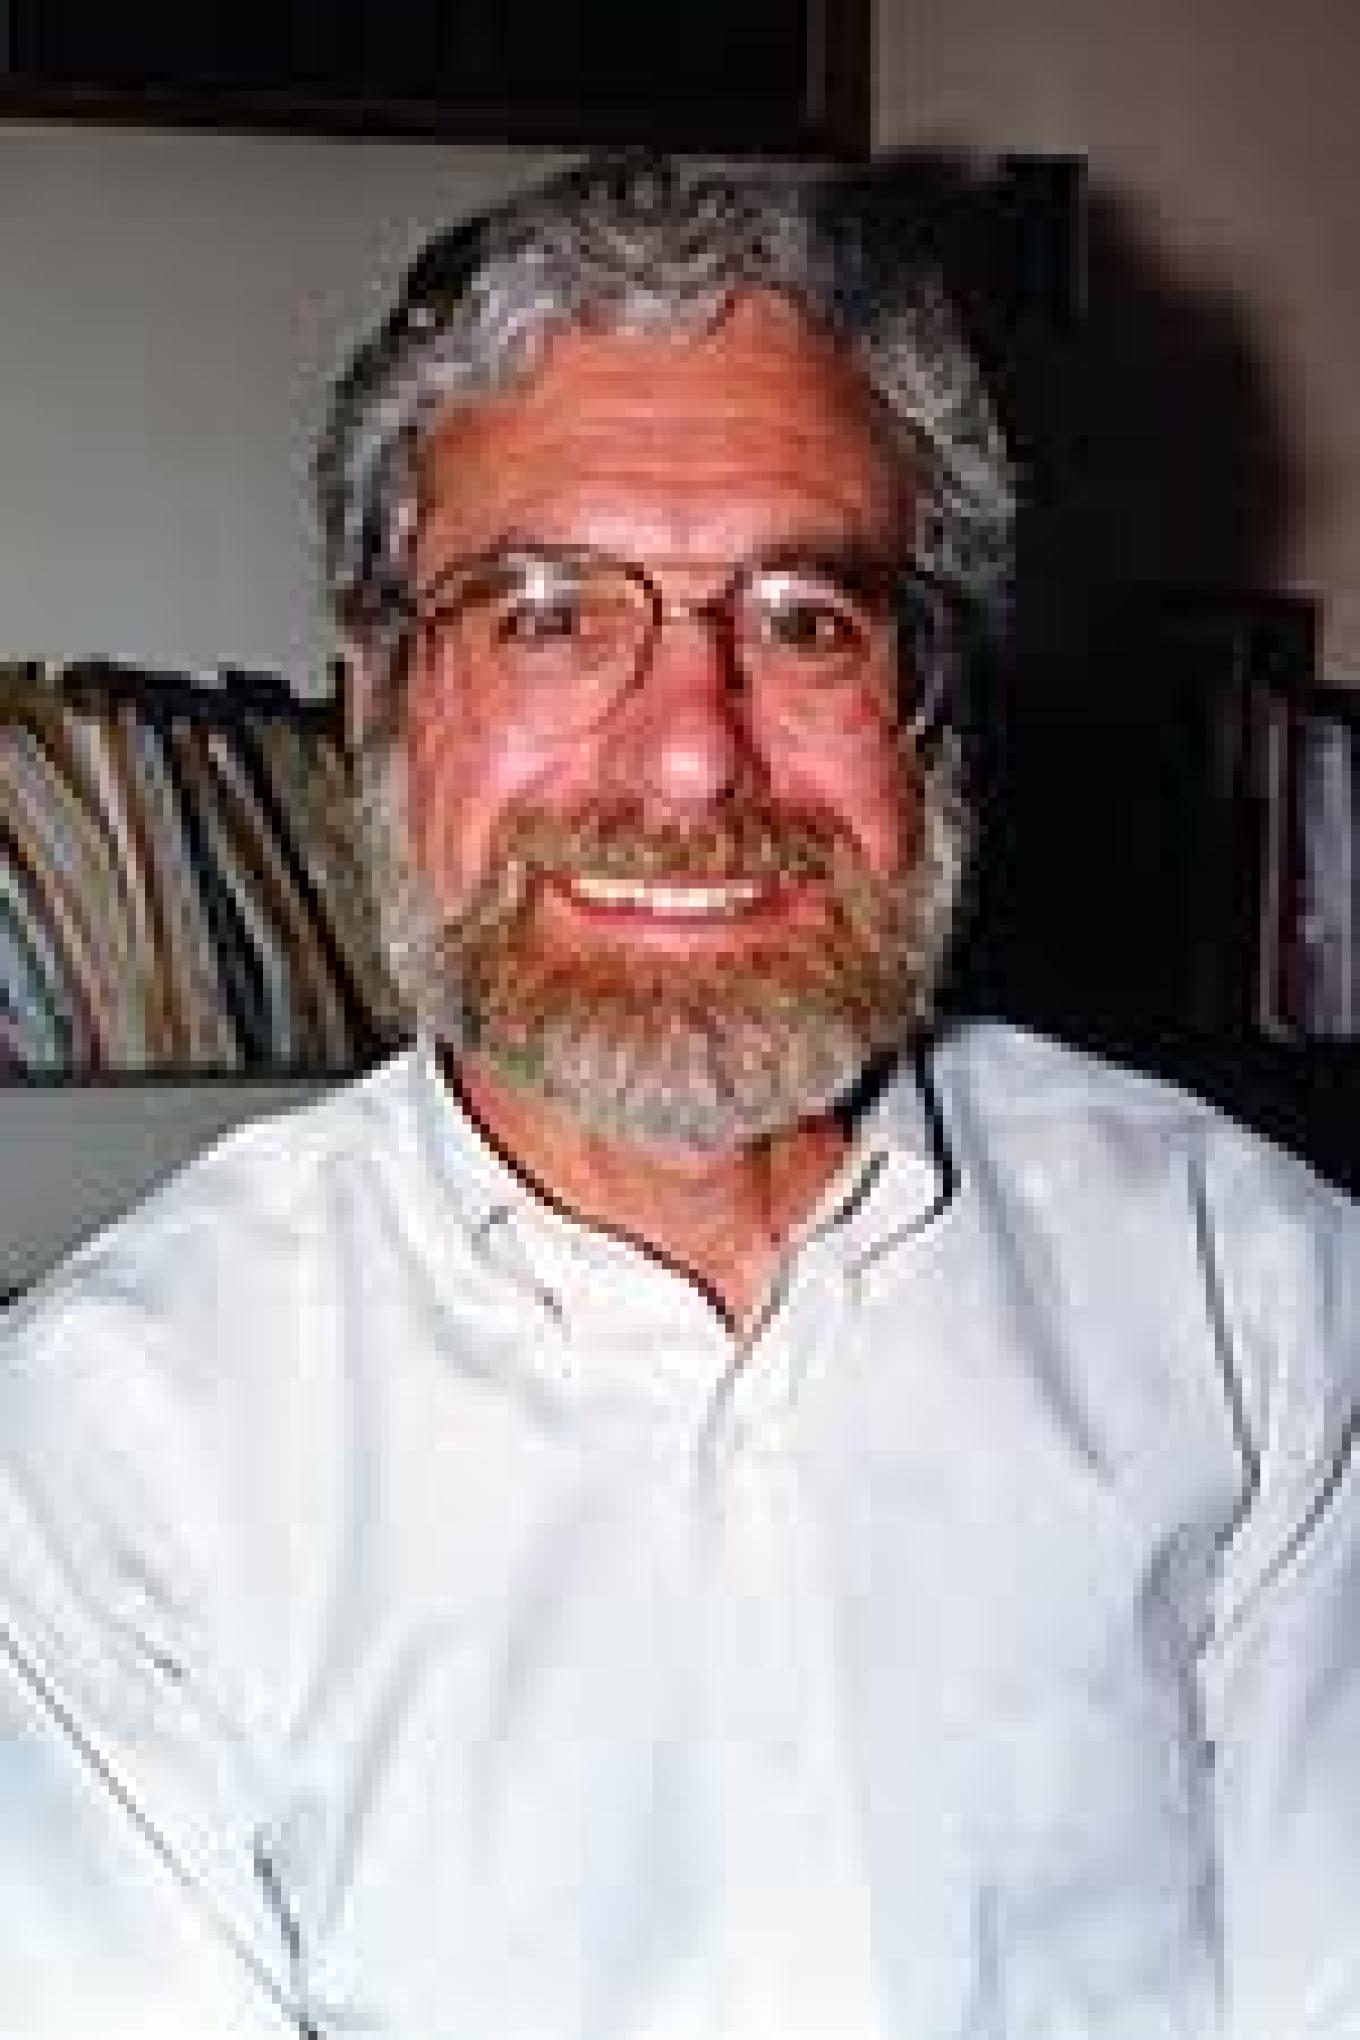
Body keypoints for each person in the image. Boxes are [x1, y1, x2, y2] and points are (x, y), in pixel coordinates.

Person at [1, 155, 1357, 2040]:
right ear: (382, 694)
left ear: (929, 699)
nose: (696, 757)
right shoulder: (105, 1444)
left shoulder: (1261, 1294)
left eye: (807, 616)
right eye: (550, 611)